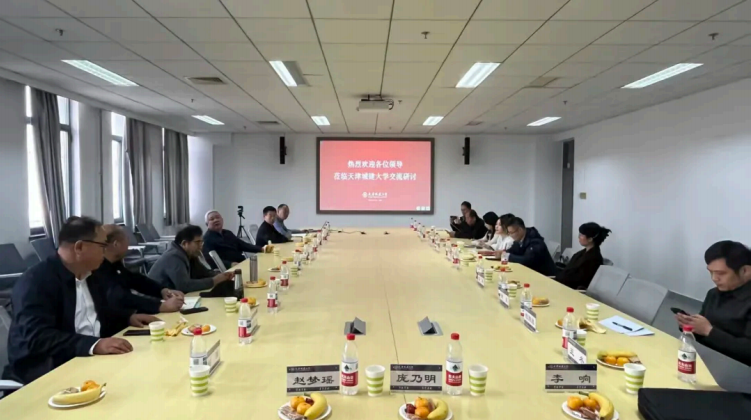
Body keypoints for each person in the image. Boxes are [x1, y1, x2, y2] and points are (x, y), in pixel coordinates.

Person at [3, 216, 159, 385]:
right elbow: (38, 338)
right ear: (79, 247)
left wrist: (127, 318)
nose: (105, 251)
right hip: (50, 371)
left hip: (91, 361)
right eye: (102, 246)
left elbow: (99, 314)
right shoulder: (35, 282)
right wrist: (94, 345)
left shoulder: (91, 274)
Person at [676, 241, 751, 366]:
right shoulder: (713, 294)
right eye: (711, 272)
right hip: (708, 360)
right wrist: (690, 326)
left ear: (745, 271)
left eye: (721, 273)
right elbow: (703, 335)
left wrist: (709, 331)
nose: (714, 278)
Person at [93, 225, 185, 314]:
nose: (129, 243)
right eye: (127, 239)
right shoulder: (98, 268)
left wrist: (162, 290)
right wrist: (159, 306)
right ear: (116, 244)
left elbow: (136, 280)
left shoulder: (115, 263)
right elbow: (121, 297)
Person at [149, 225, 234, 294]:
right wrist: (214, 280)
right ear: (184, 243)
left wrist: (221, 275)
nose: (201, 246)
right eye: (197, 242)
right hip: (157, 299)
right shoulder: (174, 256)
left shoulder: (190, 253)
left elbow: (203, 273)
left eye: (201, 242)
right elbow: (184, 286)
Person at [202, 210, 267, 269]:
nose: (216, 220)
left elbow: (242, 245)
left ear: (222, 220)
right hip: (229, 269)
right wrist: (230, 264)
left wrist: (261, 249)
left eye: (217, 217)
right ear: (207, 224)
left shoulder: (228, 233)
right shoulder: (207, 239)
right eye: (212, 219)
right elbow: (210, 260)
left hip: (242, 262)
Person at [555, 223, 612, 290]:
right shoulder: (582, 253)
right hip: (564, 285)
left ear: (590, 239)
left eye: (581, 235)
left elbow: (579, 281)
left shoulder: (594, 259)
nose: (579, 237)